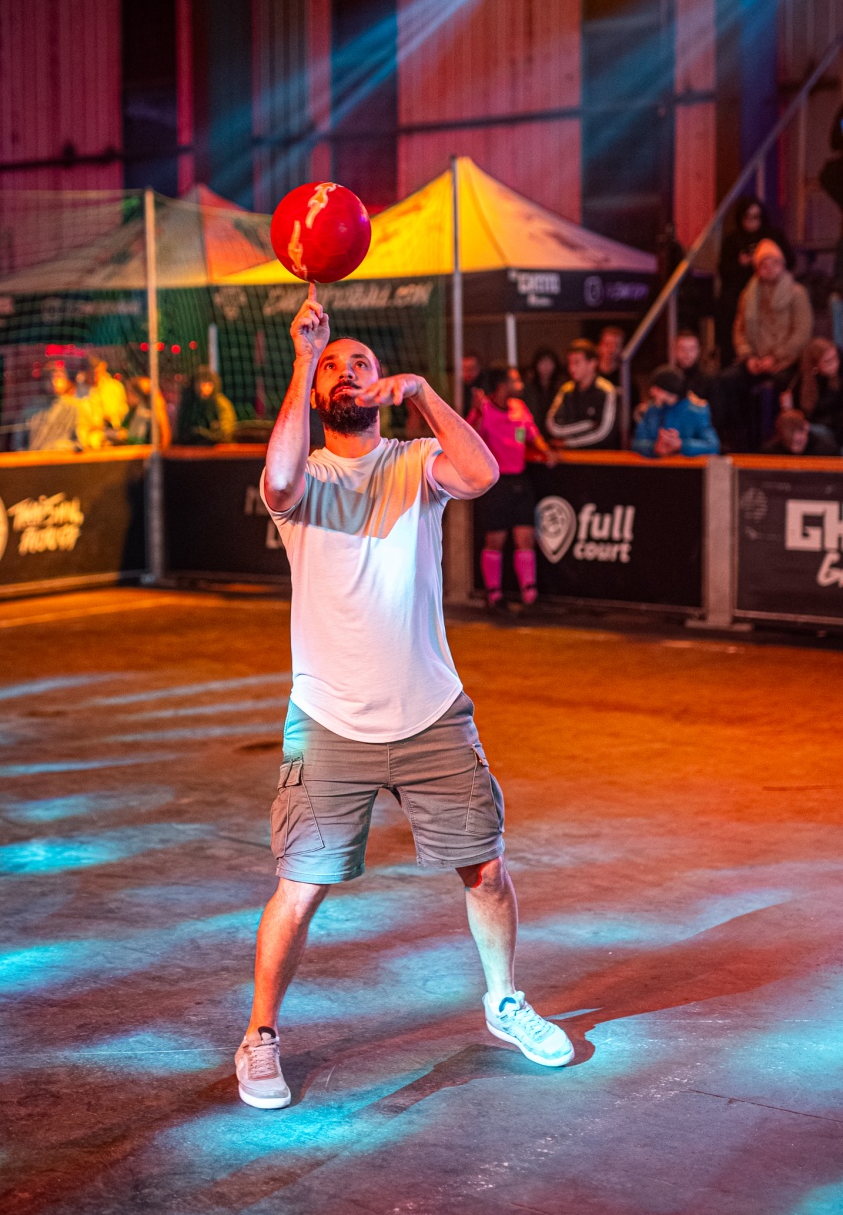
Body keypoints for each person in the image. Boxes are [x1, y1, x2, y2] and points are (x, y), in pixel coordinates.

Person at [237, 286, 574, 1111]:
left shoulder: (413, 461)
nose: (349, 372)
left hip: (431, 714)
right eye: (336, 368)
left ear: (383, 384)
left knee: (486, 869)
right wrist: (305, 358)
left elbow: (483, 472)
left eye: (363, 363)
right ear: (318, 392)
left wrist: (421, 391)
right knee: (300, 888)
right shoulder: (307, 475)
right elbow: (276, 479)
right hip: (329, 720)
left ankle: (504, 1003)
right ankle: (259, 1036)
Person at [469, 364, 558, 610]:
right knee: (495, 540)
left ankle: (530, 594)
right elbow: (469, 438)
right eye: (515, 380)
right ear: (502, 386)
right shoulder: (484, 409)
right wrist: (476, 413)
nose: (520, 385)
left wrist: (546, 451)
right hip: (495, 483)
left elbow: (532, 433)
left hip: (519, 480)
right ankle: (494, 595)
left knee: (525, 538)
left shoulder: (519, 407)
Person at [718, 239, 813, 450]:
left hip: (785, 361)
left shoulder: (796, 293)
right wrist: (748, 356)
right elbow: (739, 329)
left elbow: (802, 333)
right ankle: (736, 442)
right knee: (725, 381)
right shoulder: (748, 294)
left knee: (770, 390)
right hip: (755, 360)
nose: (769, 268)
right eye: (764, 264)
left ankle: (769, 444)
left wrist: (775, 357)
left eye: (774, 263)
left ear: (782, 265)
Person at [716, 197, 788, 365]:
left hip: (771, 292)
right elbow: (723, 269)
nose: (752, 222)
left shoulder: (772, 236)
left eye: (756, 217)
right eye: (747, 217)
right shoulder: (732, 240)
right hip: (739, 292)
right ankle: (736, 362)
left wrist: (767, 261)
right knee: (732, 318)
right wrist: (740, 263)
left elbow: (789, 260)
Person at [632, 365, 720, 459]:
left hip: (684, 466)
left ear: (670, 393)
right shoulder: (652, 411)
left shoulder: (697, 412)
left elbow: (713, 446)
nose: (652, 392)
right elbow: (637, 443)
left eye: (657, 389)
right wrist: (655, 446)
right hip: (656, 466)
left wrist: (681, 445)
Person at [546, 339, 619, 450]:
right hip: (569, 456)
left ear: (592, 363)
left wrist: (568, 442)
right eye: (569, 363)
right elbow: (552, 426)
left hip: (600, 456)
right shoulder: (566, 389)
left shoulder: (606, 390)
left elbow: (604, 433)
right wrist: (589, 424)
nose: (571, 368)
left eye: (576, 362)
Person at [786, 338, 843, 448]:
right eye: (828, 361)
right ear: (815, 365)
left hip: (836, 427)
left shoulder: (840, 375)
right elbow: (802, 413)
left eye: (835, 358)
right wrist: (788, 408)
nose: (835, 364)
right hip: (814, 427)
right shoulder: (802, 381)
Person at [15, 363, 81, 452]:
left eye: (59, 377)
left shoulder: (72, 409)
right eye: (49, 378)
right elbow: (18, 445)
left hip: (61, 459)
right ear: (43, 382)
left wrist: (63, 446)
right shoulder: (30, 410)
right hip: (35, 459)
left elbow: (79, 444)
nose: (54, 382)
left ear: (65, 380)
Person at [175, 366, 236, 445]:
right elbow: (182, 428)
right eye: (202, 384)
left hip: (217, 446)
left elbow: (226, 428)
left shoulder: (220, 403)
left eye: (209, 384)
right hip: (192, 446)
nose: (205, 388)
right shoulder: (189, 403)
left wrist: (211, 433)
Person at [521, 347, 563, 438]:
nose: (546, 366)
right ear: (536, 364)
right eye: (542, 362)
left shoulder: (561, 387)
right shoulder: (528, 388)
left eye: (549, 362)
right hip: (533, 436)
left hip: (556, 435)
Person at [763, 408, 839, 457]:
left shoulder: (827, 451)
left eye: (798, 442)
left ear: (806, 427)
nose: (793, 448)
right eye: (788, 442)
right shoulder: (769, 454)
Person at [123, 375, 172, 450]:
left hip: (147, 451)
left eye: (129, 392)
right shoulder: (132, 412)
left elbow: (164, 432)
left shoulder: (147, 413)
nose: (126, 396)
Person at [85, 354, 128, 434]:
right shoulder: (83, 389)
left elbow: (122, 410)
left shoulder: (114, 387)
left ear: (103, 366)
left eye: (98, 370)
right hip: (90, 432)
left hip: (112, 430)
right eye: (92, 370)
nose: (95, 375)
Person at [673, 329, 715, 402]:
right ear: (675, 350)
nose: (687, 354)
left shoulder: (708, 381)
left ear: (698, 350)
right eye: (682, 349)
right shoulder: (670, 379)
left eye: (691, 349)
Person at [461, 351, 486, 417]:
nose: (467, 373)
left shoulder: (487, 387)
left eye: (471, 369)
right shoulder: (457, 388)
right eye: (464, 369)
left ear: (479, 368)